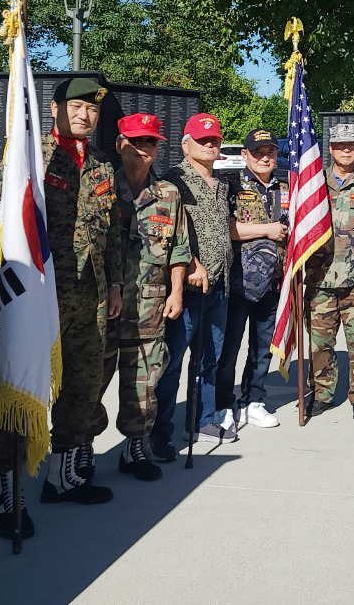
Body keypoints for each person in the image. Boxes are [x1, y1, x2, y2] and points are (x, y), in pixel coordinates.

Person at [0, 78, 121, 536]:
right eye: (76, 106)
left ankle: (63, 477)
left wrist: (115, 284)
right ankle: (9, 492)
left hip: (89, 302)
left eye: (93, 110)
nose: (85, 115)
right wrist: (12, 220)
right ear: (57, 108)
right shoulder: (29, 156)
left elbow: (113, 233)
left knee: (82, 391)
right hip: (38, 301)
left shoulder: (102, 166)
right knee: (24, 394)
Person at [84, 113, 190, 482]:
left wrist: (176, 291)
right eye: (136, 141)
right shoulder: (100, 190)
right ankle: (82, 450)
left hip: (149, 308)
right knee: (92, 381)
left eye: (151, 142)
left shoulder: (169, 195)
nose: (144, 148)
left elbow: (179, 249)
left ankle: (135, 449)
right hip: (101, 308)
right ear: (119, 145)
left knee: (143, 383)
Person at [152, 113, 234, 460]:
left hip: (220, 286)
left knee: (210, 360)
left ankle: (203, 419)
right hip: (187, 286)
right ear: (186, 145)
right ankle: (159, 432)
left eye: (214, 140)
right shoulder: (173, 182)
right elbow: (168, 234)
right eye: (203, 141)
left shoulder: (223, 184)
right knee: (172, 362)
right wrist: (191, 267)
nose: (210, 145)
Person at [306, 124, 354, 421]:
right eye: (339, 145)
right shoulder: (312, 184)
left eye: (351, 144)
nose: (345, 149)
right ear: (330, 149)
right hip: (320, 277)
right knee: (319, 343)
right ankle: (322, 393)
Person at [215, 128, 288, 431]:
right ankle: (221, 404)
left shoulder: (285, 188)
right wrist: (267, 230)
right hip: (238, 282)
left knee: (262, 348)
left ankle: (253, 401)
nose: (264, 157)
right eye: (257, 153)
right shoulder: (230, 186)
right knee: (228, 350)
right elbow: (227, 229)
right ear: (245, 155)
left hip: (273, 282)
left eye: (269, 152)